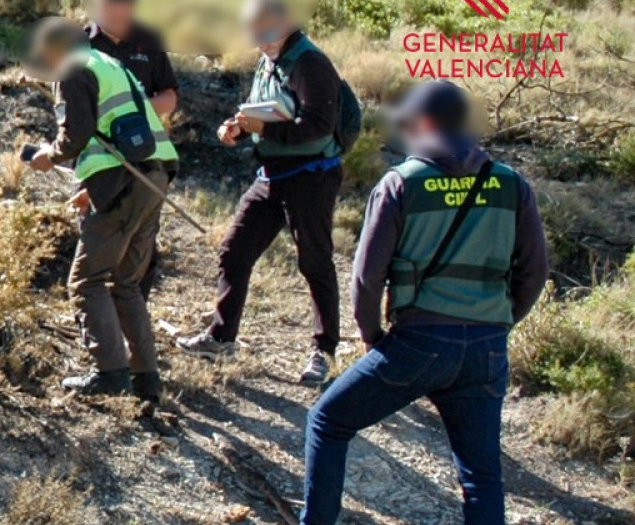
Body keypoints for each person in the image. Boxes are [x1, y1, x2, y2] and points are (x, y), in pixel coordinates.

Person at [300, 80, 550, 525]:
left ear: (427, 123)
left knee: (327, 422)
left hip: (417, 341)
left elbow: (366, 277)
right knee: (481, 476)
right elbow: (534, 272)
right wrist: (500, 322)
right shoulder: (513, 184)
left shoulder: (400, 183)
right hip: (486, 347)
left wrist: (373, 336)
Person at [176, 0, 345, 383]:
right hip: (272, 174)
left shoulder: (309, 63)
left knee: (314, 261)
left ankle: (325, 352)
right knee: (235, 250)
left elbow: (319, 126)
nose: (252, 31)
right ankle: (221, 338)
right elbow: (262, 110)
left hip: (311, 176)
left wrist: (262, 129)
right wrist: (236, 127)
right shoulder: (268, 60)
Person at [23, 16, 179, 402]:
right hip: (155, 176)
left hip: (125, 182)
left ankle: (109, 372)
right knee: (126, 282)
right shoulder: (110, 65)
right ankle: (146, 378)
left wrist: (48, 157)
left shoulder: (73, 70)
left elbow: (75, 137)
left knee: (87, 280)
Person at [86, 0, 181, 300]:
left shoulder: (149, 40)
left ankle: (132, 317)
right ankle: (101, 325)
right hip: (99, 162)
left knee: (142, 251)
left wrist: (135, 112)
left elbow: (169, 97)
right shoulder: (79, 44)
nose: (121, 9)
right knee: (95, 244)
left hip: (146, 160)